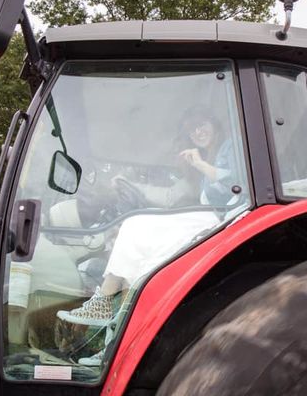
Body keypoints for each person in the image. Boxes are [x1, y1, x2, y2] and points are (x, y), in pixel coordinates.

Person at [56, 105, 239, 360]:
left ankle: (103, 306)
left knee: (135, 225)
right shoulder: (198, 161)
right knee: (143, 264)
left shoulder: (230, 148)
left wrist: (200, 164)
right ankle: (116, 343)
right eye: (191, 129)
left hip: (224, 220)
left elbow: (237, 183)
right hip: (207, 220)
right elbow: (171, 196)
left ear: (214, 125)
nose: (197, 132)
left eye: (202, 125)